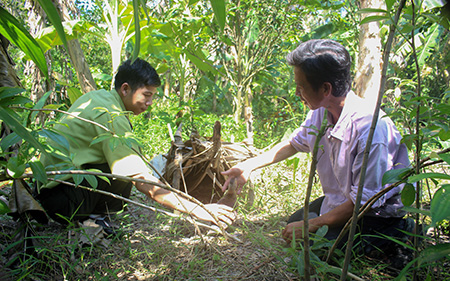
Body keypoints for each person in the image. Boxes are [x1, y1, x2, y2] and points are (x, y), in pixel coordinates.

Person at [221, 39, 413, 258]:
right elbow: (294, 143)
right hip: (341, 201)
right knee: (293, 225)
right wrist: (249, 166)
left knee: (319, 248)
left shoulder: (371, 130)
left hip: (374, 215)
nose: (296, 92)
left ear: (325, 88)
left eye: (301, 86)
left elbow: (364, 203)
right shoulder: (321, 112)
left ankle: (400, 234)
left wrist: (312, 224)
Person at [37, 58, 235, 229]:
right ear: (125, 89)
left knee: (124, 167)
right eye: (146, 95)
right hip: (60, 198)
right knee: (124, 174)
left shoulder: (97, 98)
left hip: (50, 189)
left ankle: (91, 216)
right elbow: (141, 179)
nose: (150, 103)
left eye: (152, 97)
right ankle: (89, 218)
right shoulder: (111, 115)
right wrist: (197, 209)